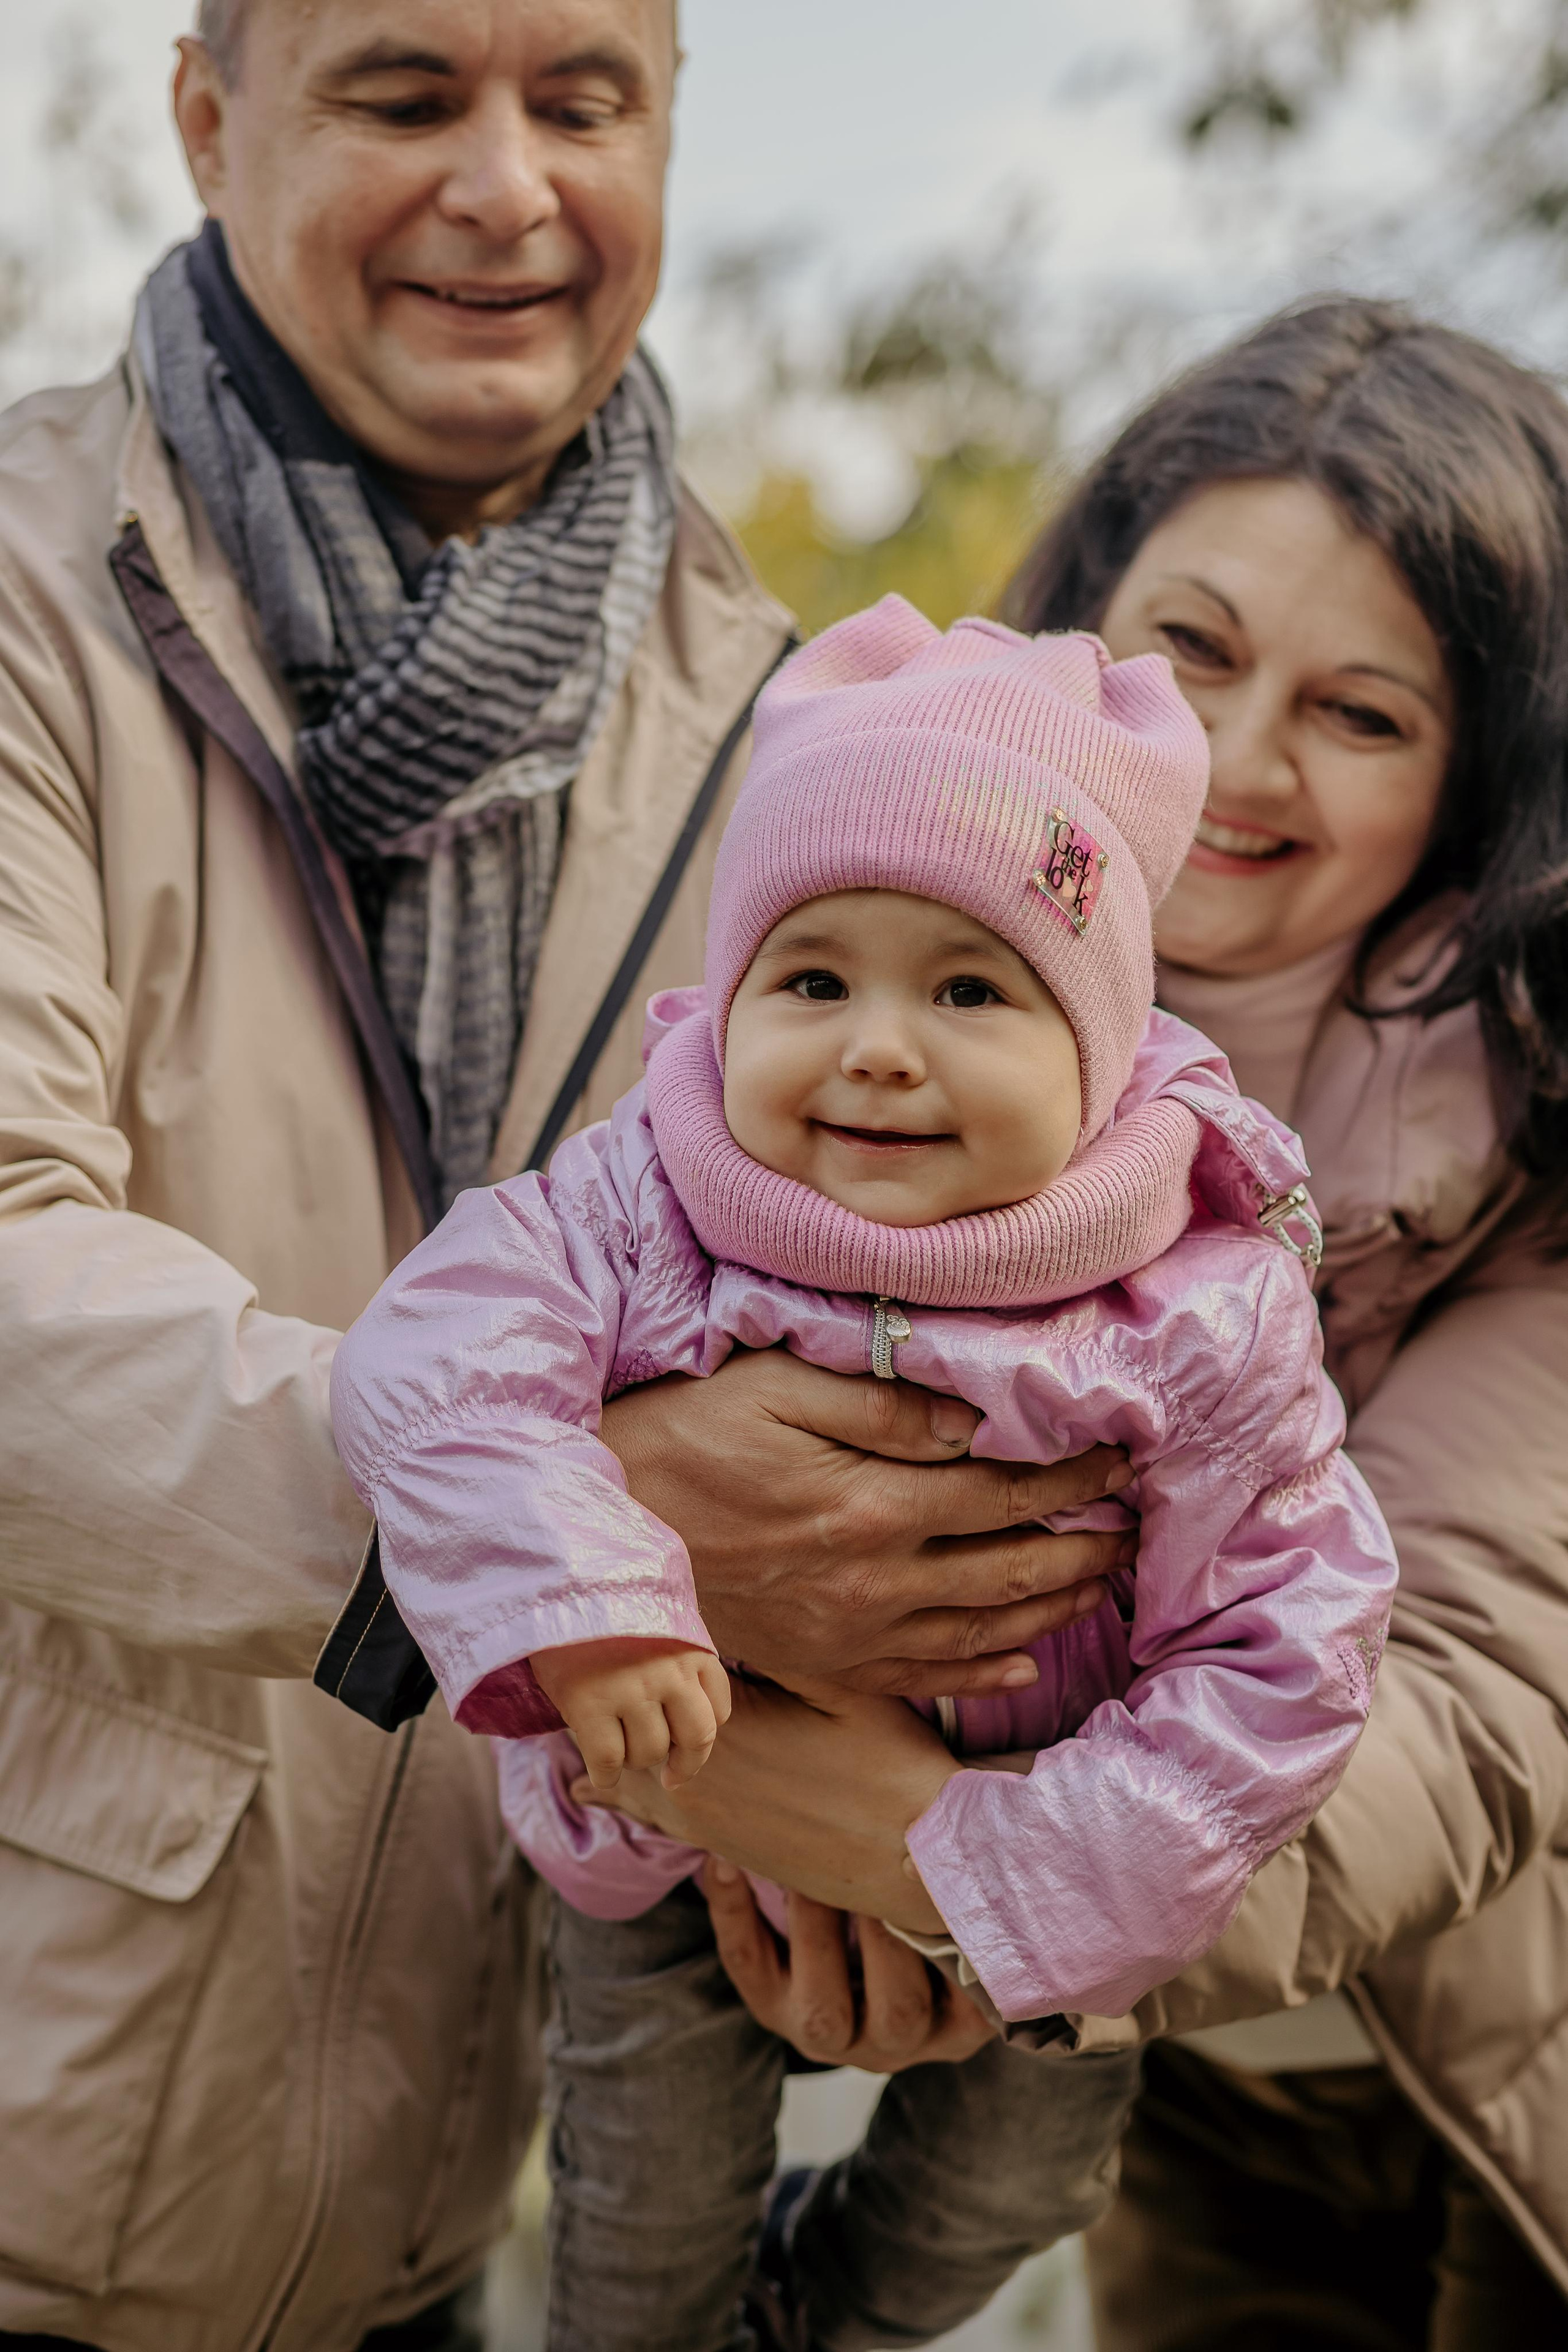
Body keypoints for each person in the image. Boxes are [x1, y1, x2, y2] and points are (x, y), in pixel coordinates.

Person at [0, 4, 1153, 2348]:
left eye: (583, 101)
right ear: (212, 120)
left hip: (446, 2178)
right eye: (407, 97)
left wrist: (910, 1842)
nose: (509, 188)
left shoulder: (801, 722)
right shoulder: (32, 591)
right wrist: (567, 1517)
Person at [573, 300, 1568, 2346]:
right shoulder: (843, 1029)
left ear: (1475, 786)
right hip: (1178, 2097)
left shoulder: (1534, 1128)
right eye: (1196, 651)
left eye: (1366, 713)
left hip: (1498, 2072)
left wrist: (928, 1863)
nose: (1245, 756)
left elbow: (1461, 1708)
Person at [330, 598, 1399, 2352]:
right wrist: (585, 1604)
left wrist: (1018, 1866)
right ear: (736, 994)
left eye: (973, 988)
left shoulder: (1186, 1307)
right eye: (813, 978)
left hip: (1038, 1867)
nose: (880, 1046)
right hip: (674, 1819)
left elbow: (1295, 1637)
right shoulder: (635, 1203)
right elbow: (429, 1368)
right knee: (639, 2228)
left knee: (1008, 2198)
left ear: (1100, 1047)